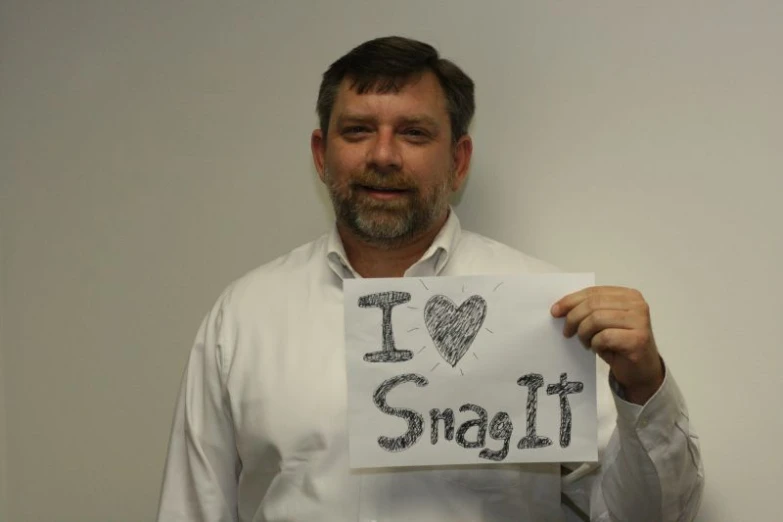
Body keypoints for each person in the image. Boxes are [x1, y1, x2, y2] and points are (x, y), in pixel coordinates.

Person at [157, 36, 704, 522]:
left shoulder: (550, 312)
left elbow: (652, 516)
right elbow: (192, 508)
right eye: (357, 131)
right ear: (322, 155)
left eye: (414, 133)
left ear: (458, 161)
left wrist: (642, 385)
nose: (384, 155)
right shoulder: (245, 317)